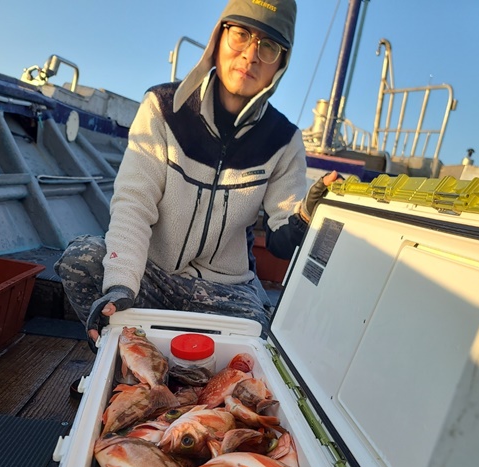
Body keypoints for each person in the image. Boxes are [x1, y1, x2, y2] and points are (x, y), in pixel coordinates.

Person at [55, 0, 338, 348]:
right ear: (218, 38)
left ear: (281, 63)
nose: (250, 55)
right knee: (80, 259)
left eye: (268, 46)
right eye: (241, 34)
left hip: (227, 291)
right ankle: (123, 352)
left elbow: (280, 242)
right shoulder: (163, 106)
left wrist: (306, 215)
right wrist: (121, 285)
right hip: (153, 274)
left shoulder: (284, 140)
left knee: (264, 343)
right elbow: (134, 204)